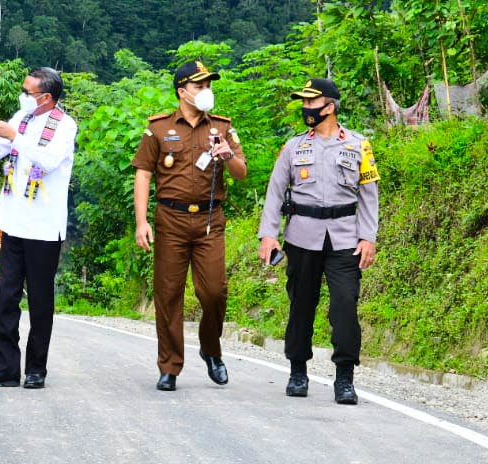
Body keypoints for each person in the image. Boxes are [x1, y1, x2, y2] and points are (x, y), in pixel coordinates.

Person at [258, 78, 379, 406]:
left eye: (312, 103)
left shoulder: (358, 145)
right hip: (301, 236)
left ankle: (344, 378)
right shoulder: (294, 147)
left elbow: (369, 196)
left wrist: (368, 237)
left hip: (344, 238)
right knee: (301, 305)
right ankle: (298, 371)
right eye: (304, 103)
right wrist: (268, 234)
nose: (306, 109)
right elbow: (274, 193)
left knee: (344, 306)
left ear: (331, 106)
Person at [132, 62, 247, 392]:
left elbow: (241, 172)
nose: (206, 89)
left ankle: (211, 349)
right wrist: (142, 222)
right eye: (199, 85)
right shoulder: (158, 128)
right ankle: (169, 366)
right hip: (171, 220)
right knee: (168, 295)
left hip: (211, 220)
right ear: (183, 92)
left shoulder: (223, 128)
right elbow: (143, 174)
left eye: (209, 84)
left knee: (213, 291)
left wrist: (227, 156)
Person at [0, 67, 77, 390]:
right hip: (13, 221)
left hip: (44, 228)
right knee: (5, 295)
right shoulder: (22, 117)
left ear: (46, 97)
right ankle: (4, 366)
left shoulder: (65, 125)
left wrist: (16, 137)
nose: (23, 96)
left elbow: (47, 160)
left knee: (40, 300)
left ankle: (35, 369)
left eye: (28, 92)